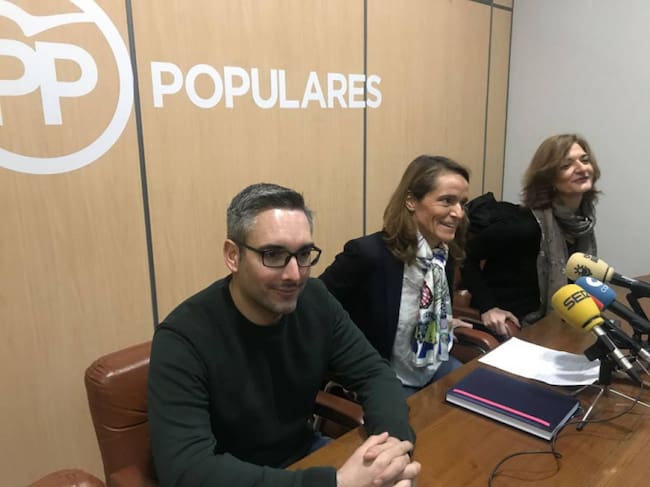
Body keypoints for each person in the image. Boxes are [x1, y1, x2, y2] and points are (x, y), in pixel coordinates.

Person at [148, 183, 420, 487]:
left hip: (305, 458)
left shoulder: (315, 299)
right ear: (233, 256)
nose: (294, 274)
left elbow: (374, 374)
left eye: (303, 254)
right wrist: (336, 484)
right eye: (273, 254)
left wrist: (393, 452)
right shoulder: (182, 338)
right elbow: (187, 468)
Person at [320, 155, 472, 396]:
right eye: (447, 201)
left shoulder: (443, 254)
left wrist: (442, 320)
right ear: (411, 201)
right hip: (384, 374)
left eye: (462, 203)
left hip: (431, 364)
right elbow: (315, 306)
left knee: (477, 402)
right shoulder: (367, 254)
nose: (459, 213)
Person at [461, 133, 600, 334]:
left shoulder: (582, 223)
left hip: (564, 321)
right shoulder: (524, 226)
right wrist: (488, 307)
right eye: (566, 165)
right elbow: (464, 255)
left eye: (585, 160)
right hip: (519, 324)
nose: (581, 168)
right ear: (549, 178)